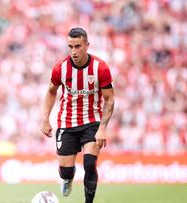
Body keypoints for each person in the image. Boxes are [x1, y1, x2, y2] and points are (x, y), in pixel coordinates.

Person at [40, 27, 115, 203]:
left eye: (78, 46)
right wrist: (45, 119)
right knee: (66, 171)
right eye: (70, 46)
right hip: (67, 122)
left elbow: (110, 99)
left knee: (89, 163)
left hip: (92, 122)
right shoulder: (60, 68)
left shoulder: (100, 68)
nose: (73, 51)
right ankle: (67, 178)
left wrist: (103, 128)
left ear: (87, 45)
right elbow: (51, 92)